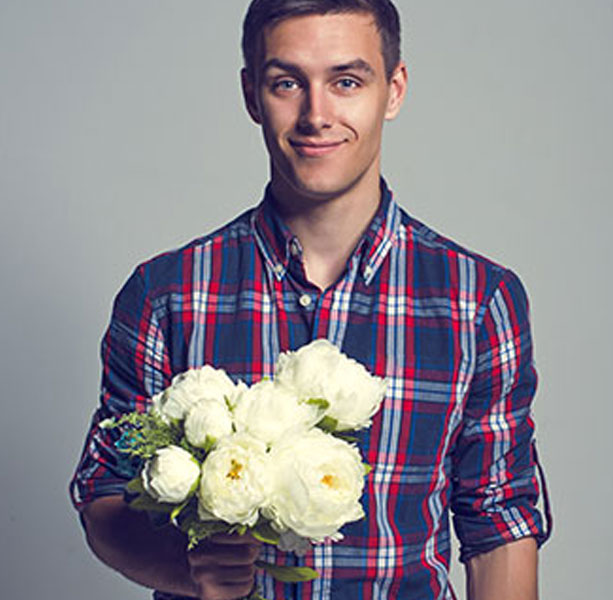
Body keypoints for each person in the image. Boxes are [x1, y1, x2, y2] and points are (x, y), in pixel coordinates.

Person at [70, 1, 551, 599]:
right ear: (251, 95)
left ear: (394, 90)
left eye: (346, 82)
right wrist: (188, 570)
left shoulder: (477, 301)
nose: (316, 115)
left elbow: (498, 521)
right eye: (287, 83)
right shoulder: (167, 294)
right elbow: (106, 494)